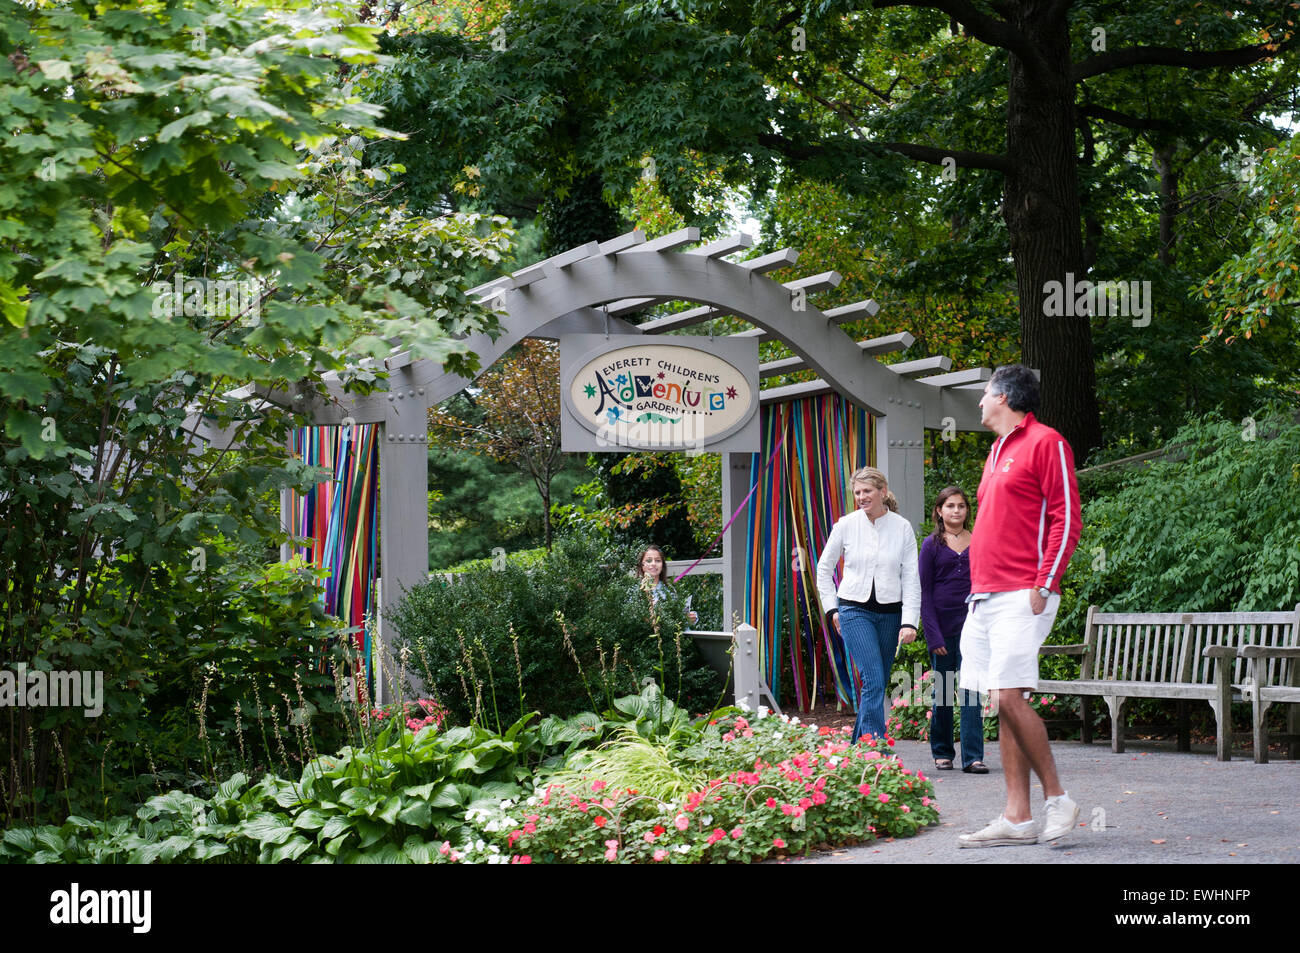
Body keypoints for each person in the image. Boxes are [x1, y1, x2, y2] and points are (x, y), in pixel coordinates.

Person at [956, 364, 1082, 848]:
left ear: (1004, 396)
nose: (979, 402)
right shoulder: (995, 451)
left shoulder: (1046, 442)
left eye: (985, 394)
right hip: (984, 595)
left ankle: (1058, 799)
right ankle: (1018, 818)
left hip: (1022, 591)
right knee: (1003, 704)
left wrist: (1046, 581)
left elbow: (1066, 517)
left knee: (1010, 696)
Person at [816, 466, 921, 745]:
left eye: (867, 491)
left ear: (882, 492)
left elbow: (911, 577)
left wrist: (910, 621)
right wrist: (832, 609)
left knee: (878, 682)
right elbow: (823, 570)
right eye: (857, 492)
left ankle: (857, 749)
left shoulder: (902, 527)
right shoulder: (846, 524)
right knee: (873, 678)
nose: (861, 497)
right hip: (854, 611)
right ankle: (875, 746)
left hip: (890, 614)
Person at [919, 486, 986, 773]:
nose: (956, 511)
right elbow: (924, 593)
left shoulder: (981, 540)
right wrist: (933, 635)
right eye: (950, 506)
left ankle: (973, 757)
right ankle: (942, 752)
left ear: (967, 510)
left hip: (973, 628)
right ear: (939, 511)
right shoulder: (931, 545)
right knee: (944, 694)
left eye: (961, 506)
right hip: (942, 631)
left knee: (972, 692)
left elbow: (988, 583)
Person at [634, 545, 697, 624]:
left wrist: (690, 618)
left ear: (662, 565)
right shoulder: (634, 590)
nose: (653, 564)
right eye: (649, 560)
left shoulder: (669, 590)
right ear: (642, 565)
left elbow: (678, 619)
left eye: (657, 560)